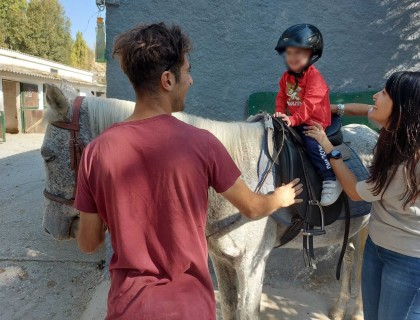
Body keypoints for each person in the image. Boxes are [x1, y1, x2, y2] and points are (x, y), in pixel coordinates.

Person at [74, 23, 303, 320]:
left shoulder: (95, 152)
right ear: (168, 80)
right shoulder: (203, 144)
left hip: (127, 308)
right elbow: (253, 207)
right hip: (189, 308)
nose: (191, 80)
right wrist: (280, 198)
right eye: (187, 71)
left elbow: (88, 243)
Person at [305, 71, 420, 320]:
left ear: (401, 109)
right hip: (377, 246)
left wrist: (327, 147)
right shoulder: (397, 126)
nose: (375, 96)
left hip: (408, 259)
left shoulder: (408, 165)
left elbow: (355, 192)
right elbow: (363, 109)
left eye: (385, 93)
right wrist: (333, 108)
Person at [273, 24, 343, 207]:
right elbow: (281, 96)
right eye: (289, 53)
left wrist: (293, 119)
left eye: (299, 53)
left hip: (314, 122)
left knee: (312, 144)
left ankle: (331, 179)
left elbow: (309, 105)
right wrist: (280, 113)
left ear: (312, 55)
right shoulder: (286, 77)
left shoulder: (315, 78)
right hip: (295, 120)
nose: (292, 58)